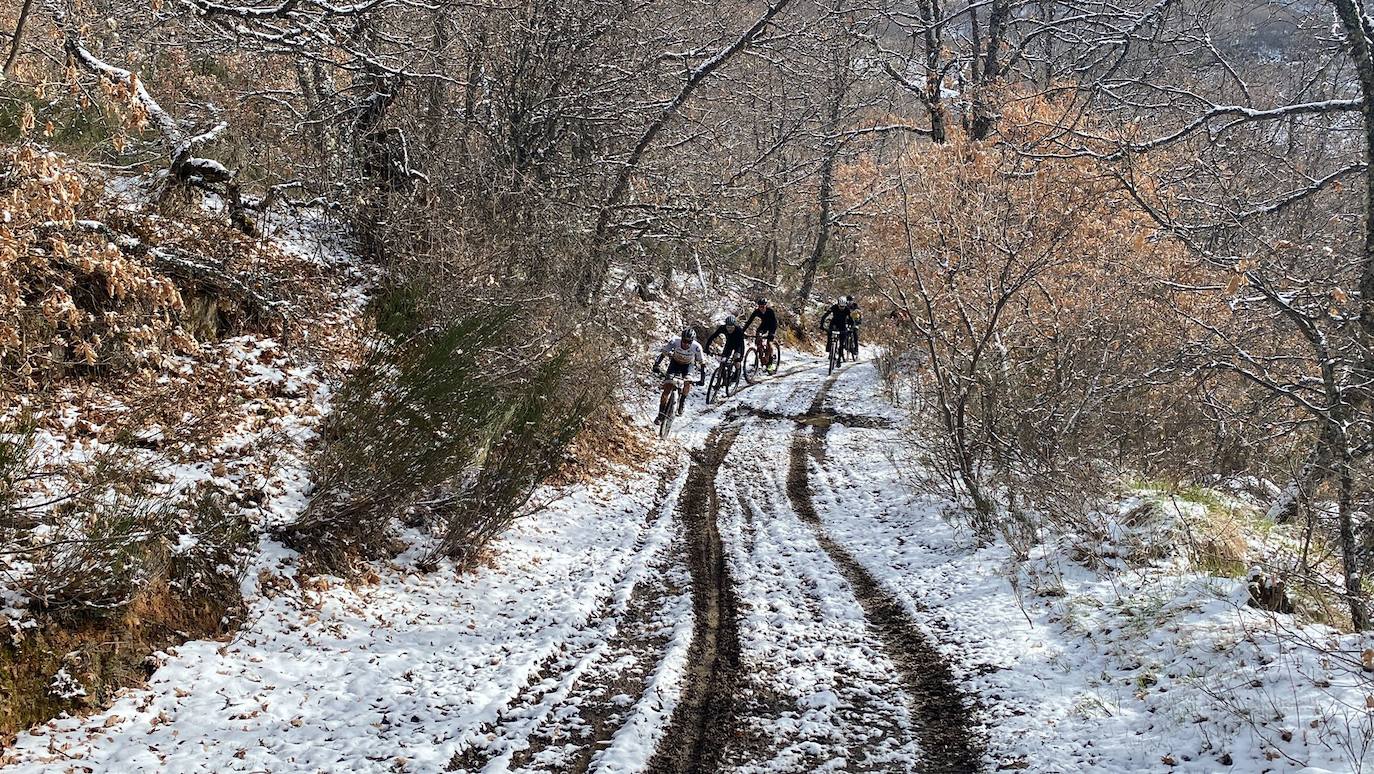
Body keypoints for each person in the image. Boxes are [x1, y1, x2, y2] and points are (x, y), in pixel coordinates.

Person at [652, 328, 705, 423]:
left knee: (688, 382)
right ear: (681, 338)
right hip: (675, 363)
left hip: (688, 366)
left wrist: (702, 379)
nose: (686, 344)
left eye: (689, 342)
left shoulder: (697, 347)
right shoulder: (674, 342)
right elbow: (663, 354)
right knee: (666, 390)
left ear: (692, 341)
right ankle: (660, 415)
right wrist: (656, 365)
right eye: (684, 341)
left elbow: (702, 364)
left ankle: (682, 402)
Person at [743, 297, 779, 371]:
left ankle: (770, 363)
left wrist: (771, 334)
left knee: (769, 343)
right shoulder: (757, 311)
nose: (761, 308)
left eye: (763, 306)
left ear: (766, 306)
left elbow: (774, 322)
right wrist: (742, 331)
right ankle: (760, 357)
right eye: (760, 306)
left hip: (772, 326)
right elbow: (749, 321)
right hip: (764, 325)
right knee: (758, 338)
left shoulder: (770, 311)